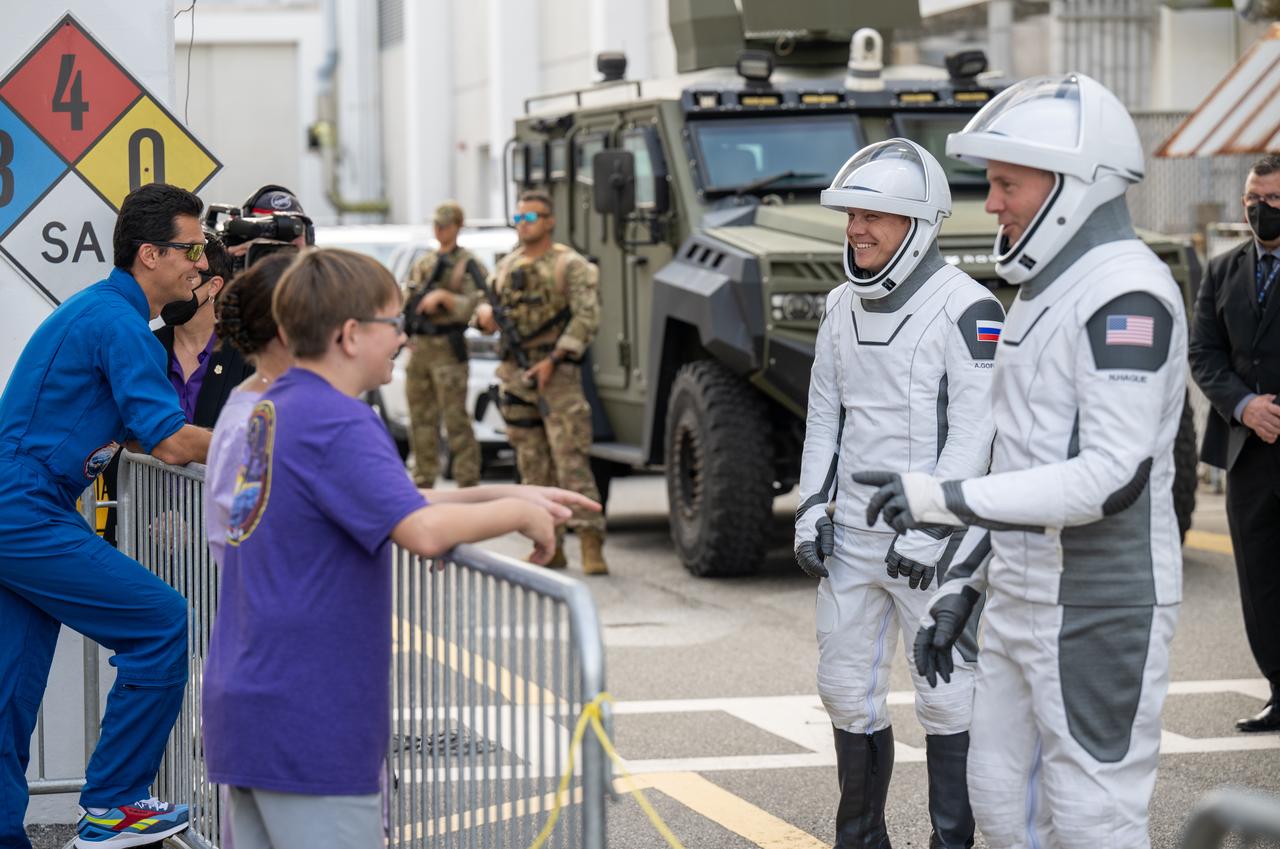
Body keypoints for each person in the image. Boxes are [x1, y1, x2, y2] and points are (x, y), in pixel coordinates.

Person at [857, 73, 1187, 849]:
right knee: (1002, 809)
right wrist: (967, 585)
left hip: (1100, 604)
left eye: (1007, 183)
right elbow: (1017, 460)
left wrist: (942, 497)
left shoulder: (1127, 295)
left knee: (1091, 819)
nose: (992, 203)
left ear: (1074, 184)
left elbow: (1112, 474)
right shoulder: (1039, 293)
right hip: (1017, 597)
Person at [201, 248, 598, 849]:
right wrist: (518, 514)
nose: (404, 339)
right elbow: (421, 531)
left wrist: (511, 493)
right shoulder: (339, 420)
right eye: (394, 323)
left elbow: (387, 503)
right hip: (313, 719)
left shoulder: (276, 408)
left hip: (251, 708)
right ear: (351, 334)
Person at [794, 139, 1003, 849]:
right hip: (850, 538)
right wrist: (808, 511)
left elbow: (975, 434)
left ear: (919, 222)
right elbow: (825, 416)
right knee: (845, 692)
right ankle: (860, 838)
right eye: (851, 212)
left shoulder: (970, 307)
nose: (856, 227)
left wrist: (930, 528)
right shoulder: (837, 305)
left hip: (932, 549)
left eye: (874, 214)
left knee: (948, 699)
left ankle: (953, 843)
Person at [0, 182, 213, 849]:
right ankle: (114, 803)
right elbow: (173, 440)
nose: (200, 264)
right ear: (149, 254)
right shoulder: (116, 322)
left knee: (8, 693)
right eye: (191, 250)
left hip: (27, 506)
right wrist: (272, 435)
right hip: (23, 508)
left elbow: (153, 432)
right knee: (160, 618)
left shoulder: (114, 320)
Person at [1188, 153, 1280, 732]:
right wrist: (1246, 406)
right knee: (1261, 580)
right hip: (1248, 451)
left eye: (1272, 200)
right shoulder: (1222, 270)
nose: (1258, 209)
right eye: (1252, 198)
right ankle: (1279, 688)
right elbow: (1205, 354)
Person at [475, 190, 608, 574]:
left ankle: (590, 542)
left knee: (571, 461)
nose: (523, 225)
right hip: (516, 375)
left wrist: (554, 359)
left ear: (549, 221)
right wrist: (483, 315)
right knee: (532, 465)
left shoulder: (570, 265)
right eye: (519, 218)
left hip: (558, 374)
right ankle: (549, 543)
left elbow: (587, 317)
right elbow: (484, 307)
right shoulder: (507, 266)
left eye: (531, 218)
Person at [403, 201, 486, 488]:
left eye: (445, 225)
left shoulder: (468, 264)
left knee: (455, 420)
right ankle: (424, 480)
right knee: (420, 420)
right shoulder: (425, 263)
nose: (439, 231)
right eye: (436, 225)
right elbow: (407, 301)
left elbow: (480, 306)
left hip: (448, 348)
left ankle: (467, 480)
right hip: (421, 347)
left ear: (457, 226)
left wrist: (446, 299)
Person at [155, 232, 254, 427]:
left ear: (214, 286)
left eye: (188, 278)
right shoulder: (148, 346)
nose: (173, 288)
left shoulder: (247, 354)